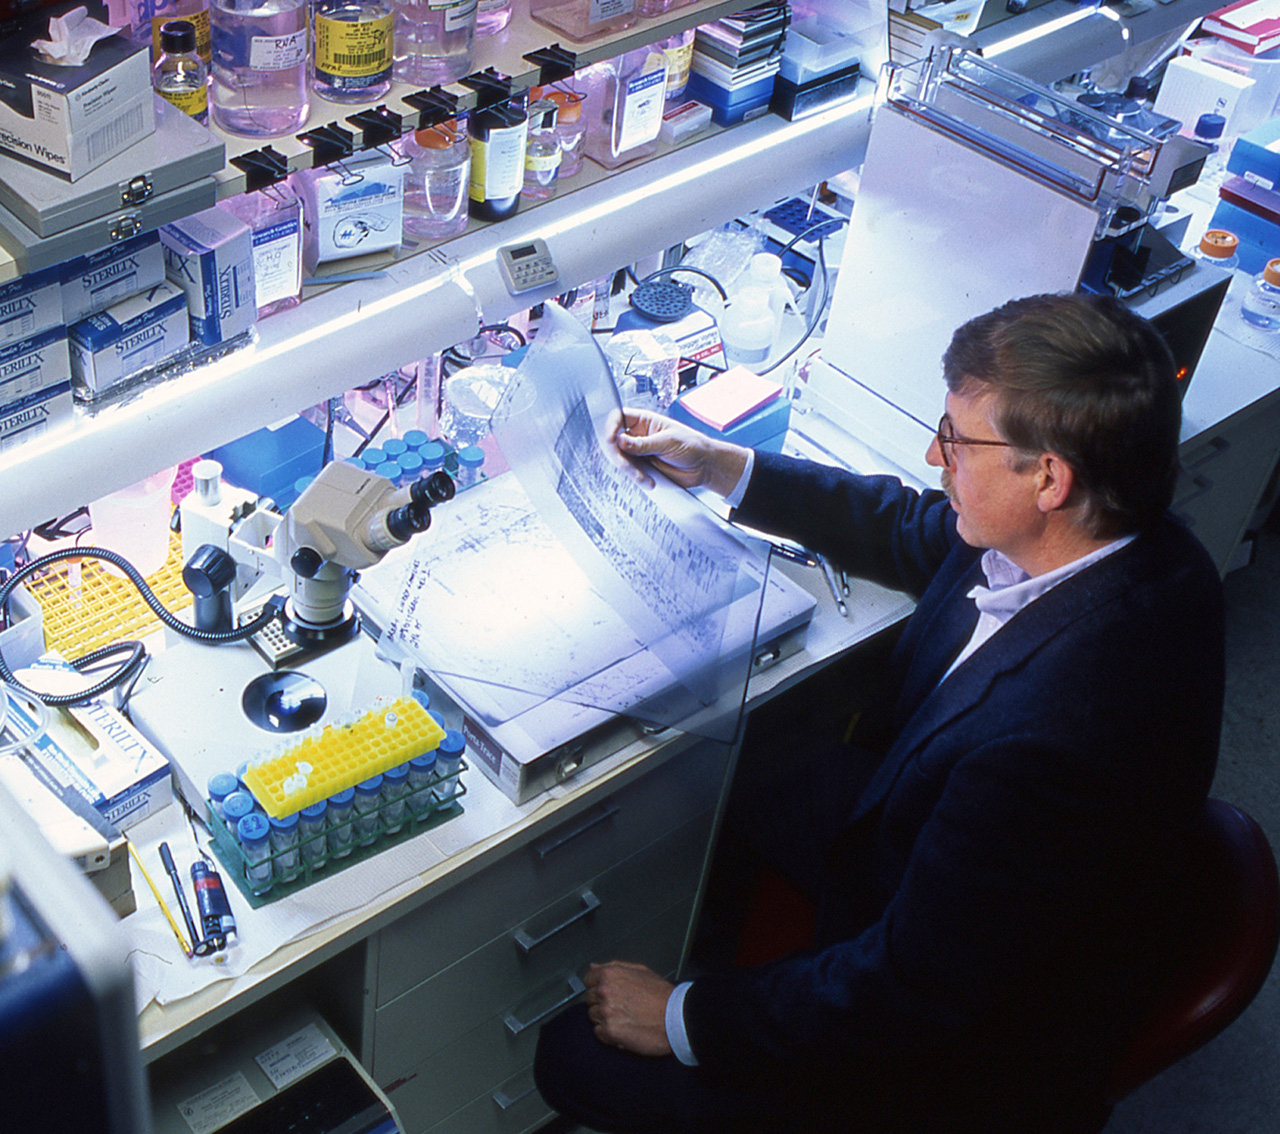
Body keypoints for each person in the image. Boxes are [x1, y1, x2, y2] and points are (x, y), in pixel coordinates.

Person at [532, 292, 1225, 1133]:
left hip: (952, 1059)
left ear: (1049, 477)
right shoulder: (1118, 537)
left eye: (959, 441)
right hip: (946, 865)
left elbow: (909, 993)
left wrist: (683, 1015)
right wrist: (721, 465)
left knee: (570, 1053)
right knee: (759, 758)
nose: (934, 455)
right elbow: (914, 529)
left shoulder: (1055, 742)